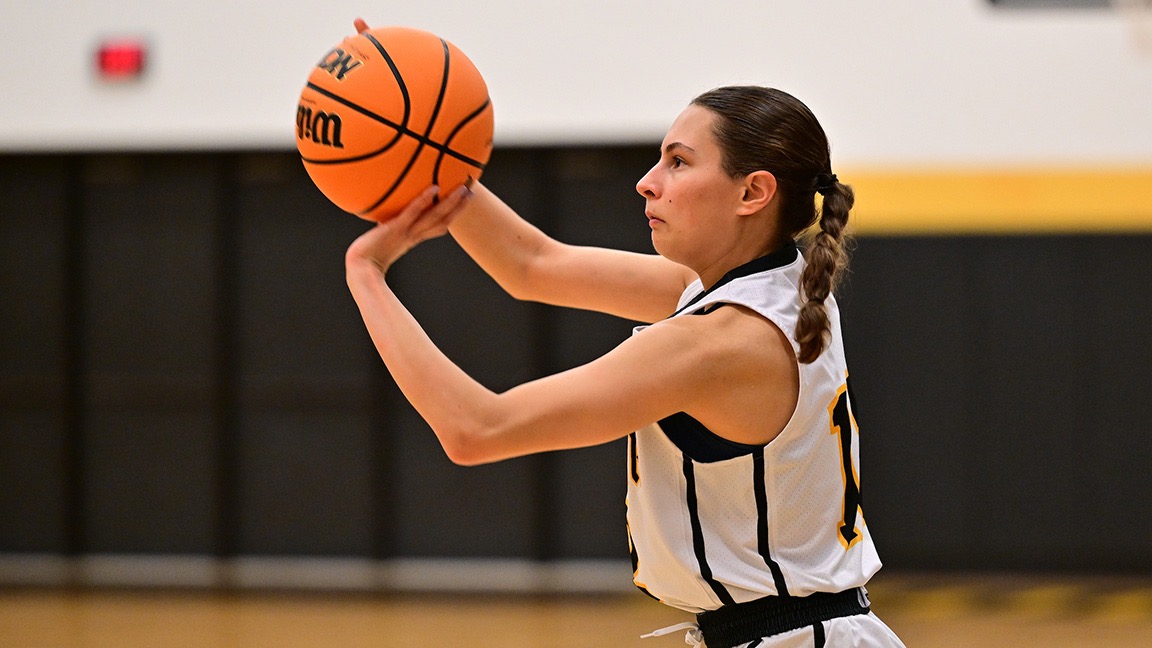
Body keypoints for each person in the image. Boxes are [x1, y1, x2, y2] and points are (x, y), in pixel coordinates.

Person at [345, 77, 905, 647]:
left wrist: (366, 276)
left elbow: (475, 429)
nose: (646, 183)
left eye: (678, 163)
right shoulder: (782, 286)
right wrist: (428, 155)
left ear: (752, 192)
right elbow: (534, 265)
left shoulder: (718, 343)